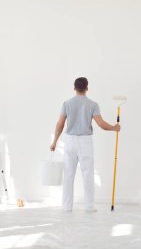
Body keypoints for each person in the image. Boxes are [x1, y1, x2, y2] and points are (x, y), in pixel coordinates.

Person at [50, 77, 121, 212]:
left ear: (74, 88)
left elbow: (60, 124)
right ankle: (89, 206)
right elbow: (101, 124)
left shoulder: (67, 104)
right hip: (85, 142)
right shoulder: (92, 104)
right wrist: (115, 128)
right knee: (88, 174)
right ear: (87, 88)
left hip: (69, 141)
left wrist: (54, 142)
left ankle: (66, 206)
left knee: (69, 174)